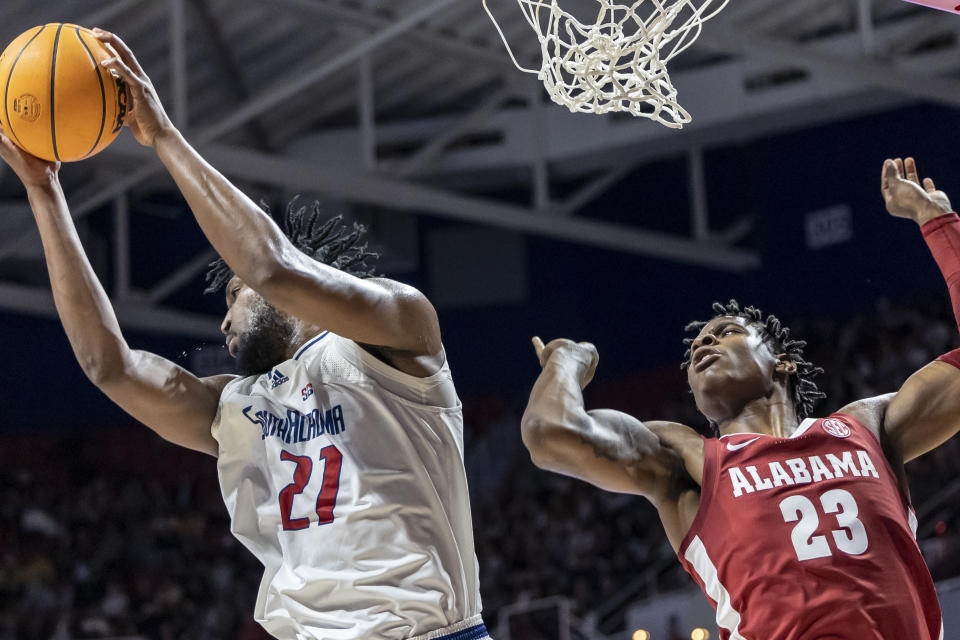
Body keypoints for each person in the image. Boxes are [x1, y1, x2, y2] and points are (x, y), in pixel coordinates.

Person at [0, 29, 487, 640]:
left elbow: (270, 268)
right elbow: (110, 366)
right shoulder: (237, 406)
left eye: (232, 296)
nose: (224, 322)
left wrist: (164, 138)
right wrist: (44, 193)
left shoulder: (398, 333)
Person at [522, 156, 960, 639]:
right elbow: (550, 433)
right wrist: (565, 357)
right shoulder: (684, 458)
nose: (703, 346)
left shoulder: (867, 428)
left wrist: (938, 222)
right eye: (693, 353)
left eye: (725, 333)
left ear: (782, 361)